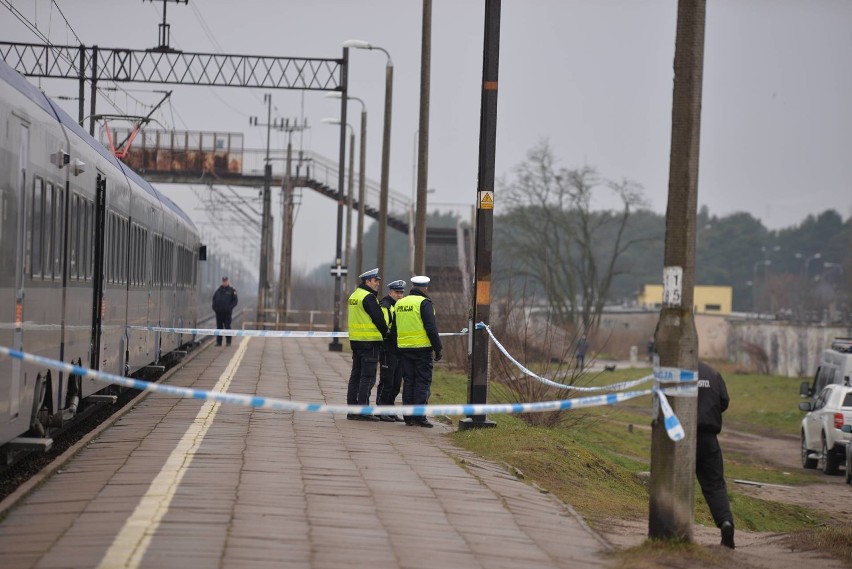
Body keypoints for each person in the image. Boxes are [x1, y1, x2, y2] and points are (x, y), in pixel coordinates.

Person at [696, 361, 735, 549]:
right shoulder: (712, 373)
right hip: (708, 439)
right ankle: (726, 522)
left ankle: (673, 530)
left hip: (681, 438)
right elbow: (724, 401)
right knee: (714, 485)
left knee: (675, 482)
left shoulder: (676, 373)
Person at [395, 275, 442, 428]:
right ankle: (419, 417)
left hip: (404, 348)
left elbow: (396, 326)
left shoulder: (400, 303)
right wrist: (438, 348)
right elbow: (431, 328)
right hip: (421, 349)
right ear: (425, 287)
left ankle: (408, 417)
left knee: (409, 381)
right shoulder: (424, 303)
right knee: (422, 381)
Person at [346, 268, 388, 421]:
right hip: (369, 342)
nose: (377, 283)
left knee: (355, 376)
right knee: (368, 377)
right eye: (375, 280)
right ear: (367, 281)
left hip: (356, 342)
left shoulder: (354, 295)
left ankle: (352, 409)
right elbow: (379, 319)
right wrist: (386, 333)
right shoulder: (368, 297)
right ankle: (363, 410)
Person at [376, 280, 406, 422]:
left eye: (401, 292)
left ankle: (390, 409)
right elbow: (384, 327)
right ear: (390, 292)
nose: (399, 295)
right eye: (397, 292)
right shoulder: (385, 305)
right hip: (388, 348)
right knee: (387, 381)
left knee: (396, 383)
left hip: (399, 348)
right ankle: (381, 410)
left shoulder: (400, 306)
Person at [211, 276, 238, 347]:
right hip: (219, 313)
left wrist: (230, 308)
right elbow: (214, 300)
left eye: (226, 281)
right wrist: (215, 308)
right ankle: (219, 342)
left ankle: (228, 342)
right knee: (219, 327)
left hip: (227, 313)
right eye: (223, 281)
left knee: (227, 327)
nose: (224, 282)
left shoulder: (232, 291)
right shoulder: (218, 291)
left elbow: (235, 301)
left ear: (228, 281)